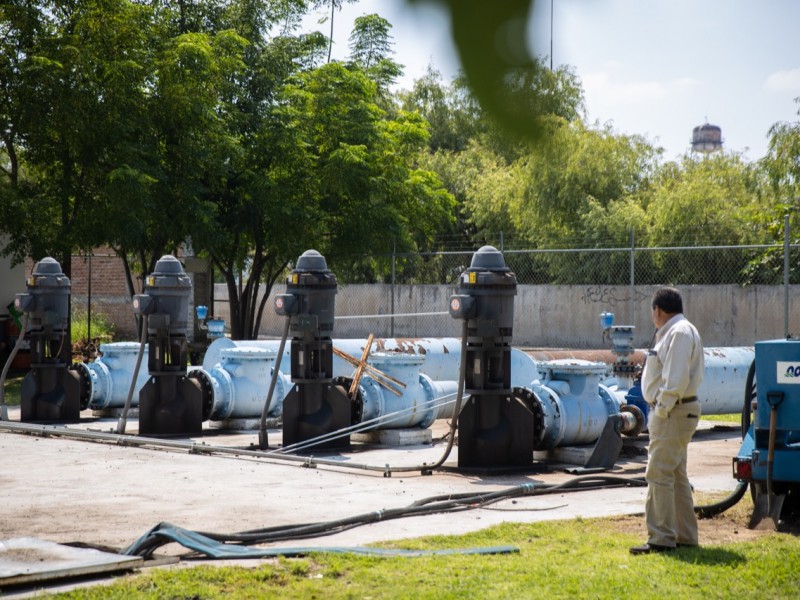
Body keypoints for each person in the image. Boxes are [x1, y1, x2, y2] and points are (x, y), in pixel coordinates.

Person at [630, 287, 704, 555]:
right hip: (677, 409)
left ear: (658, 310)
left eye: (653, 312)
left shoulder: (678, 333)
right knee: (675, 473)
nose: (652, 317)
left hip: (673, 411)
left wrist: (660, 410)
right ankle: (684, 535)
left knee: (658, 473)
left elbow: (675, 379)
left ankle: (661, 537)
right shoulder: (678, 331)